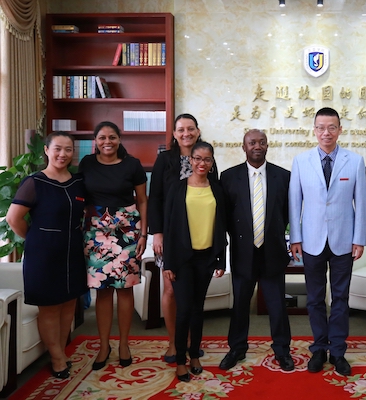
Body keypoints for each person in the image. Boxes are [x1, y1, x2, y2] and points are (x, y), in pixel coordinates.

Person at [289, 107, 366, 376]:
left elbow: (361, 203)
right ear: (314, 130)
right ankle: (319, 348)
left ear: (340, 130)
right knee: (314, 298)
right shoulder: (301, 161)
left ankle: (338, 351)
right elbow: (295, 202)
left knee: (340, 297)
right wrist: (296, 237)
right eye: (321, 127)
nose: (326, 132)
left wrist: (359, 239)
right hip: (311, 240)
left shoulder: (354, 161)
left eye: (332, 127)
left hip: (343, 239)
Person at [6, 132, 88, 379]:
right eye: (57, 149)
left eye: (68, 149)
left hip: (73, 252)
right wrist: (35, 239)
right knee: (50, 308)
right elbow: (13, 218)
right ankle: (57, 358)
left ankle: (60, 350)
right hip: (44, 254)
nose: (63, 154)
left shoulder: (78, 182)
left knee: (69, 304)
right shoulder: (35, 182)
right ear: (46, 151)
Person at [218, 129, 293, 372]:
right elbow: (225, 216)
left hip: (272, 251)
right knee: (240, 305)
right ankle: (237, 348)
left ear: (267, 146)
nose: (257, 146)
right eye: (252, 143)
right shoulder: (228, 177)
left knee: (277, 306)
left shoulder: (283, 176)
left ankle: (282, 350)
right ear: (244, 147)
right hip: (243, 253)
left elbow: (286, 214)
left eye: (261, 142)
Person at [148, 113, 218, 363]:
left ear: (197, 131)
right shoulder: (164, 159)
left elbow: (214, 195)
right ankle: (173, 342)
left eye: (190, 129)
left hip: (199, 234)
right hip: (170, 235)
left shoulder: (207, 158)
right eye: (181, 129)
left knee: (193, 295)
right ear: (175, 134)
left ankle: (190, 341)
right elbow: (155, 197)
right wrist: (157, 233)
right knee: (171, 288)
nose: (186, 133)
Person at [80, 121, 148, 370]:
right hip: (96, 232)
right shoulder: (87, 163)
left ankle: (124, 344)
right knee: (102, 290)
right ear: (95, 141)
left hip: (127, 232)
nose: (107, 142)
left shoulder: (133, 165)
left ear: (119, 139)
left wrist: (144, 234)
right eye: (102, 138)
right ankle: (103, 345)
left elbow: (142, 201)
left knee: (125, 289)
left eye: (112, 137)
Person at [162, 141, 227, 382]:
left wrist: (221, 260)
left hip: (206, 258)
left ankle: (194, 355)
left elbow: (221, 226)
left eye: (207, 159)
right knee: (184, 310)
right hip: (182, 259)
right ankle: (180, 360)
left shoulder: (217, 189)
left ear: (212, 162)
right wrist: (168, 263)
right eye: (197, 158)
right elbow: (169, 227)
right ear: (190, 160)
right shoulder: (177, 188)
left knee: (198, 309)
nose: (202, 163)